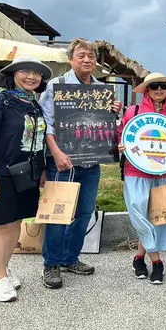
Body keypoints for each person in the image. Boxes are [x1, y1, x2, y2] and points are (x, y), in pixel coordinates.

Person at [38, 38, 122, 289]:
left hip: (91, 162)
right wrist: (56, 154)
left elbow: (105, 125)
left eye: (91, 57)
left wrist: (113, 111)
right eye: (82, 56)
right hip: (63, 162)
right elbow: (46, 124)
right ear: (71, 59)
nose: (87, 60)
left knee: (84, 213)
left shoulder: (101, 89)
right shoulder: (57, 85)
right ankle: (51, 263)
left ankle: (70, 257)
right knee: (57, 213)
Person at [0, 56, 51, 302]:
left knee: (16, 222)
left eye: (36, 74)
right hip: (1, 173)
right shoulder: (0, 100)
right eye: (26, 71)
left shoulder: (33, 105)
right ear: (13, 74)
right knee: (3, 225)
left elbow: (37, 143)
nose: (31, 77)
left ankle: (2, 270)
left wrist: (40, 171)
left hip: (26, 173)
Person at [117, 72, 166, 284]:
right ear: (147, 89)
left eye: (163, 86)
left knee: (156, 215)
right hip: (135, 171)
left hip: (162, 173)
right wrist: (120, 144)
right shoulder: (133, 111)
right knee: (138, 211)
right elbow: (121, 135)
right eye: (154, 86)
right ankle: (157, 260)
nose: (159, 90)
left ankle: (139, 259)